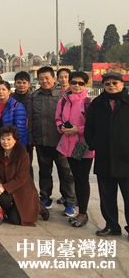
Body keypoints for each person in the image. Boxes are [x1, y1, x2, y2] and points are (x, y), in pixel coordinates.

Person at [85, 71, 129, 237]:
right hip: (104, 157)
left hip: (126, 159)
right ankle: (111, 225)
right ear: (103, 85)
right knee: (107, 196)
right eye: (107, 83)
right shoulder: (97, 103)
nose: (111, 86)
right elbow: (89, 128)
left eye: (114, 83)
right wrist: (95, 144)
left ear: (122, 84)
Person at [28, 66, 76, 216]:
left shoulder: (65, 94)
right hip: (42, 141)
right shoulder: (34, 96)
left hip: (61, 142)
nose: (44, 81)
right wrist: (32, 138)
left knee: (66, 173)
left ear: (54, 79)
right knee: (44, 172)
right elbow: (30, 120)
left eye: (47, 78)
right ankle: (45, 198)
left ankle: (70, 202)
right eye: (41, 79)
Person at [55, 71, 92, 228]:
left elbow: (93, 125)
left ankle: (82, 213)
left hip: (82, 145)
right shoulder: (63, 100)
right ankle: (78, 209)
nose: (76, 85)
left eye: (80, 83)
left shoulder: (88, 102)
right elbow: (57, 119)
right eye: (74, 82)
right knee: (75, 177)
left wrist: (78, 129)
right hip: (67, 144)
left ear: (85, 85)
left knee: (82, 179)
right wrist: (61, 127)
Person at [0, 126, 49, 226]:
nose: (5, 142)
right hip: (6, 189)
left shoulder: (23, 153)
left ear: (15, 140)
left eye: (9, 139)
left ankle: (38, 207)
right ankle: (11, 209)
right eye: (3, 139)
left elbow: (21, 178)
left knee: (16, 220)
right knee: (0, 197)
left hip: (22, 189)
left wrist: (3, 188)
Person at [0, 81, 28, 161]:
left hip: (9, 142)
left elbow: (20, 130)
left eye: (3, 89)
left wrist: (18, 146)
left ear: (9, 91)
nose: (0, 92)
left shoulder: (16, 106)